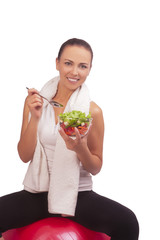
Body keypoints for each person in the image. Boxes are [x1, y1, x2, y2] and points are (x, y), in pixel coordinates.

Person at [0, 38, 139, 240]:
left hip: (77, 196)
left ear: (90, 69)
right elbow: (24, 155)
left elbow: (95, 167)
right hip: (37, 193)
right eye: (68, 63)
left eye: (82, 66)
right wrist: (35, 117)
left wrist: (80, 148)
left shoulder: (93, 111)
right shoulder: (35, 102)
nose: (74, 72)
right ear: (57, 63)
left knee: (128, 222)